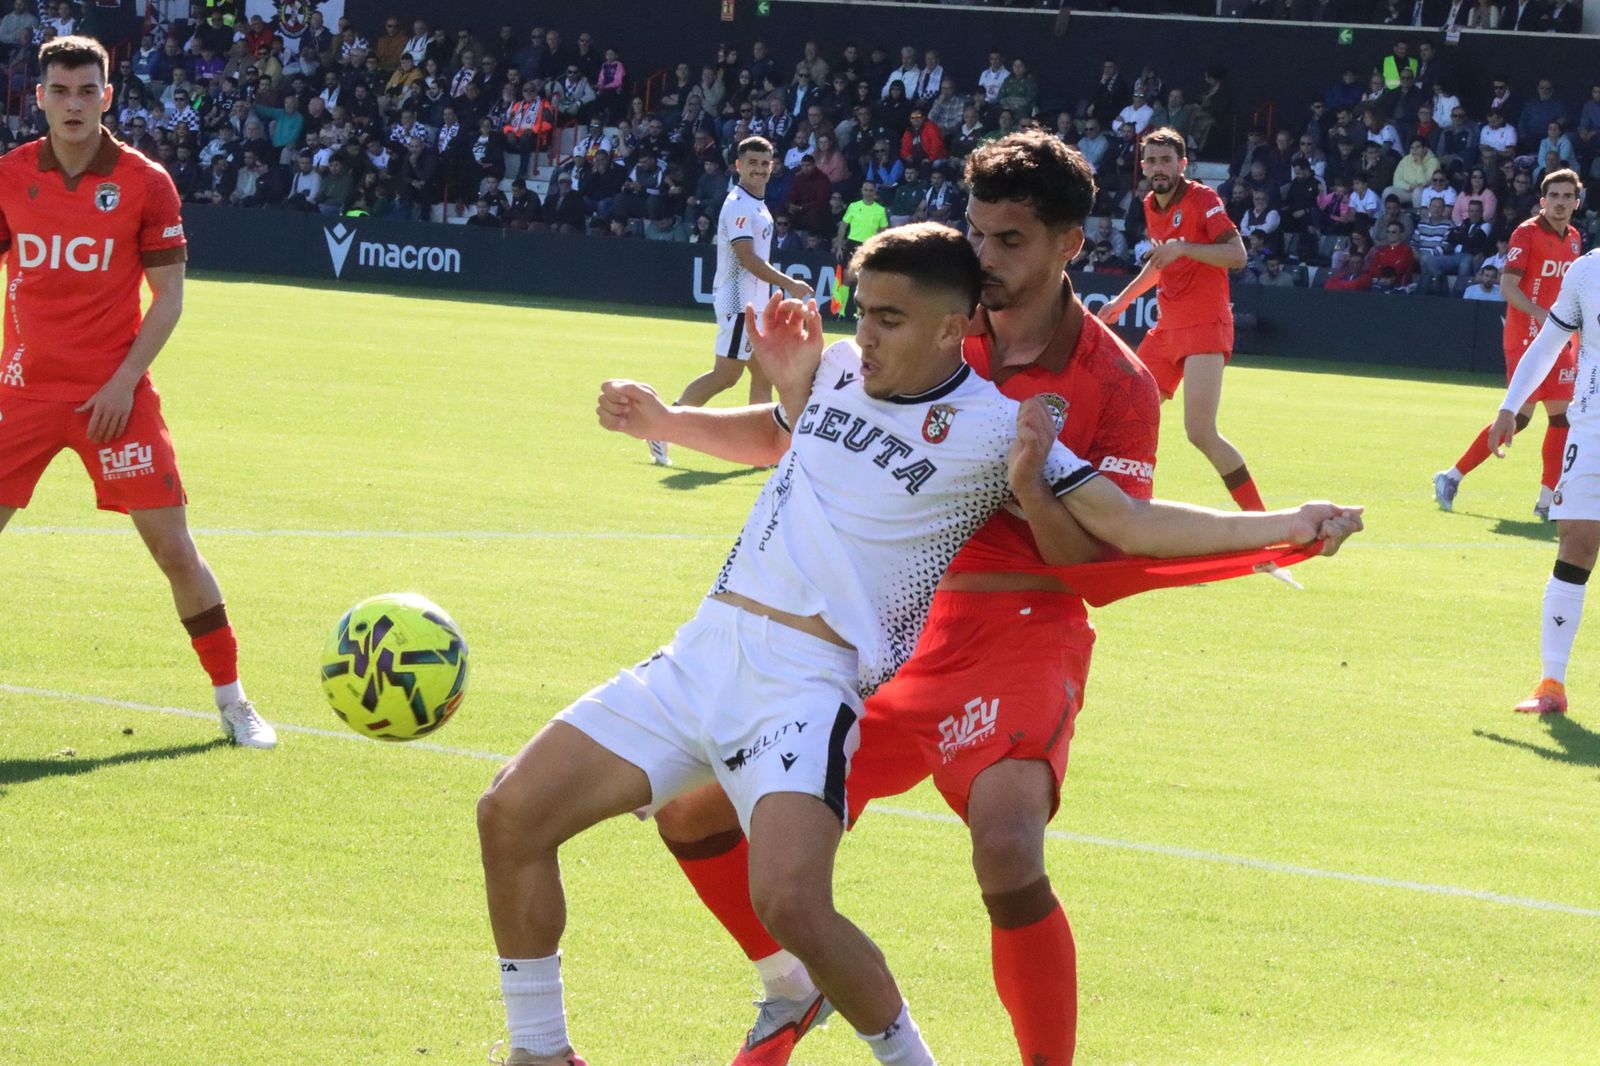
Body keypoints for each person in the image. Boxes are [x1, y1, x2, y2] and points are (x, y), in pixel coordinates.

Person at [632, 132, 1362, 1066]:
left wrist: (1038, 487)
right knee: (694, 809)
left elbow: (1098, 556)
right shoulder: (935, 315)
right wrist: (669, 420)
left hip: (1023, 627)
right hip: (890, 630)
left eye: (1009, 240)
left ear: (1069, 244)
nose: (983, 257)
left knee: (1009, 850)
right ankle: (795, 983)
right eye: (976, 233)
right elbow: (804, 427)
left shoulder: (1117, 384)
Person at [0, 36, 274, 749]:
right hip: (22, 393)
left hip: (114, 401)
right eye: (61, 91)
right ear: (40, 98)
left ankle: (234, 703)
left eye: (87, 90)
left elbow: (169, 297)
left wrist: (123, 382)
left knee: (175, 551)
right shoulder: (9, 176)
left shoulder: (145, 182)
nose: (74, 104)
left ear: (108, 96)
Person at [1097, 128, 1266, 515]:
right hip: (1166, 330)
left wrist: (1185, 248)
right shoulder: (1149, 204)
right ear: (1143, 167)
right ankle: (1123, 510)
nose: (1158, 168)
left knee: (1200, 432)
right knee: (1125, 418)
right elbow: (1162, 264)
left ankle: (1260, 522)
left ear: (1182, 164)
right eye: (1151, 161)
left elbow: (1237, 255)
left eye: (1166, 160)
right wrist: (1122, 301)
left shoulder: (1203, 198)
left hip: (1204, 325)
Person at [646, 137, 813, 467]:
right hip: (739, 302)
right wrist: (788, 283)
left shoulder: (757, 204)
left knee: (763, 375)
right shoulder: (738, 204)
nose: (759, 169)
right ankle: (661, 426)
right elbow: (747, 258)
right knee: (725, 375)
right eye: (752, 163)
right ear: (738, 166)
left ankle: (764, 450)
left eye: (764, 163)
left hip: (754, 304)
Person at [1488, 246, 1600, 714]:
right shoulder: (1588, 271)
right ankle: (1551, 684)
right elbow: (1549, 344)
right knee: (1575, 544)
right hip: (1592, 429)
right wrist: (1509, 406)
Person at [1435, 169, 1584, 518]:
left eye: (1567, 196)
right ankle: (1451, 476)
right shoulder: (1527, 233)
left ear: (1577, 203)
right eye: (1554, 196)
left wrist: (1574, 333)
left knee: (1562, 418)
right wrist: (1541, 314)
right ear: (1542, 201)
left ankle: (1546, 502)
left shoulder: (1575, 238)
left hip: (1558, 340)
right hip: (1526, 339)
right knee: (1520, 418)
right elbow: (1508, 287)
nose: (1560, 202)